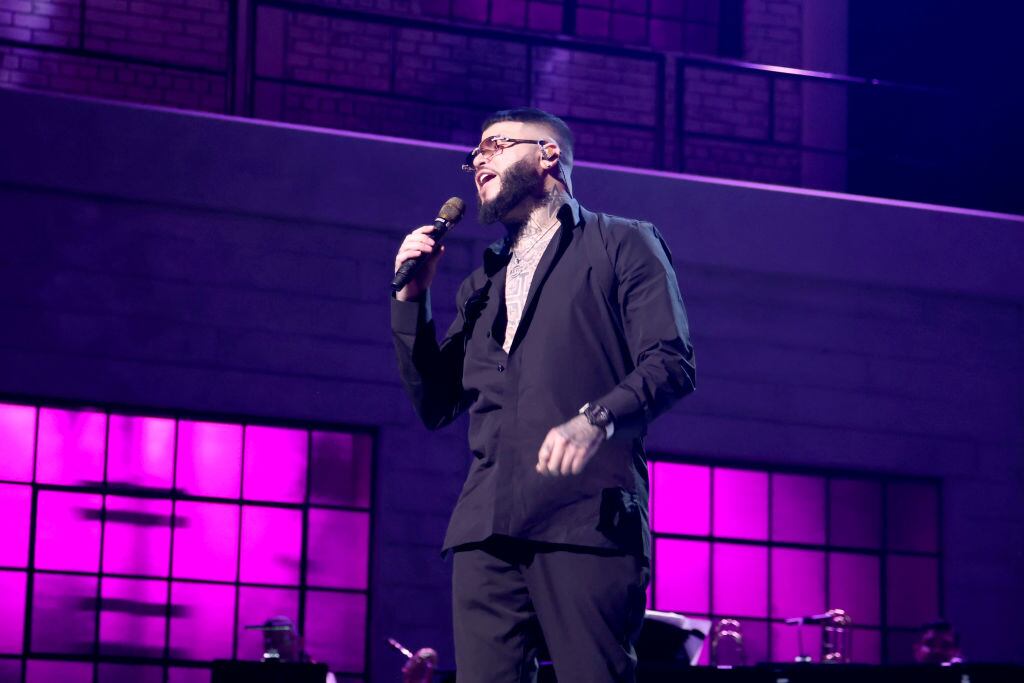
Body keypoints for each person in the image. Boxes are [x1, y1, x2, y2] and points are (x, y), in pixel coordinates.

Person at [390, 107, 696, 682]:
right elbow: (436, 401)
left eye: (496, 145)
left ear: (547, 155)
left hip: (585, 520)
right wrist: (411, 301)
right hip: (485, 527)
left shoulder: (622, 243)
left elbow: (671, 361)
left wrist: (597, 417)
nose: (478, 160)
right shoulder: (482, 283)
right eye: (474, 153)